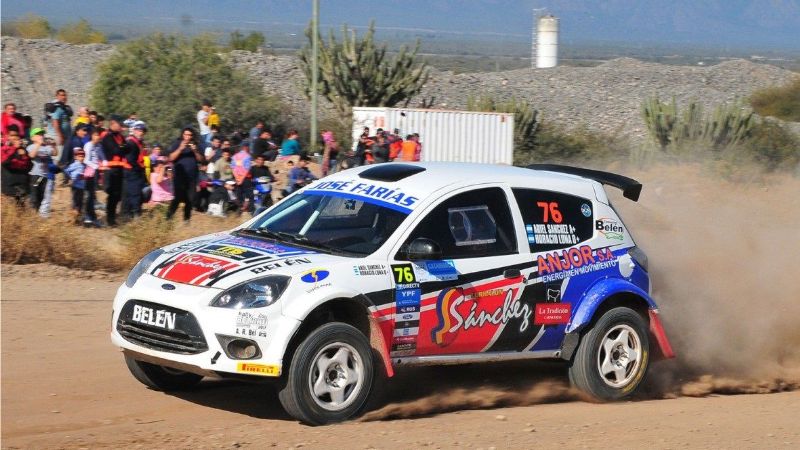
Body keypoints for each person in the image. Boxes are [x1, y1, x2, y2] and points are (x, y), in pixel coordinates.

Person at [166, 127, 205, 221]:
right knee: (177, 198)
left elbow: (202, 160)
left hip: (192, 178)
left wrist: (195, 151)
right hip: (179, 177)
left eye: (190, 135)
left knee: (190, 199)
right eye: (186, 134)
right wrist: (180, 148)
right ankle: (168, 217)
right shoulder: (177, 143)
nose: (187, 137)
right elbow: (170, 158)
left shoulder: (196, 145)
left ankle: (186, 220)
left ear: (192, 136)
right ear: (182, 135)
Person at [101, 116, 128, 226]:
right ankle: (110, 219)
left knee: (119, 195)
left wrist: (122, 147)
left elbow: (126, 149)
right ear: (112, 123)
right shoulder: (107, 137)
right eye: (119, 124)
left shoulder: (121, 137)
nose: (121, 126)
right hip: (111, 170)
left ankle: (116, 217)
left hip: (120, 170)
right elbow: (116, 150)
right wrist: (122, 147)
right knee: (112, 195)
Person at [27, 128, 58, 217]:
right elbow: (31, 155)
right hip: (35, 175)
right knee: (34, 195)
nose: (41, 135)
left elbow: (55, 153)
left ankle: (40, 214)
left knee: (43, 195)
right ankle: (33, 213)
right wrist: (39, 144)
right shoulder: (31, 146)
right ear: (32, 138)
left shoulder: (46, 147)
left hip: (45, 175)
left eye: (42, 134)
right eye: (38, 134)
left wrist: (54, 146)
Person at [123, 121, 148, 219]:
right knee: (135, 193)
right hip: (132, 171)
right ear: (134, 131)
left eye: (142, 131)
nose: (141, 133)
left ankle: (132, 214)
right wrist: (140, 168)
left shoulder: (140, 143)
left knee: (137, 193)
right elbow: (131, 160)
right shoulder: (131, 142)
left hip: (138, 171)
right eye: (138, 130)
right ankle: (135, 214)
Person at [1, 131, 33, 206]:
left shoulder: (23, 150)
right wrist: (14, 149)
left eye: (18, 139)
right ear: (9, 140)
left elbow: (30, 166)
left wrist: (25, 156)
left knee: (21, 208)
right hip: (10, 184)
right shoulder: (4, 149)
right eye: (14, 139)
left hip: (22, 184)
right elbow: (4, 162)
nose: (18, 141)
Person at [82, 129, 105, 226]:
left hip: (94, 173)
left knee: (91, 195)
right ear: (92, 136)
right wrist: (97, 166)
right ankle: (87, 217)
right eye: (95, 135)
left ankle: (91, 217)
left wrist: (105, 162)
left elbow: (102, 156)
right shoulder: (89, 145)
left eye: (98, 135)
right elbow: (85, 160)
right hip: (87, 173)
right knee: (88, 195)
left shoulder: (98, 146)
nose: (97, 137)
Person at [64, 149, 87, 224]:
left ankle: (77, 219)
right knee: (75, 202)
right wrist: (71, 178)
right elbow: (67, 170)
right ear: (75, 157)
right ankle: (72, 218)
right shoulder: (74, 164)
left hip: (82, 187)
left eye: (83, 156)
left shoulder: (84, 165)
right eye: (80, 156)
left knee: (80, 202)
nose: (82, 158)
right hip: (75, 186)